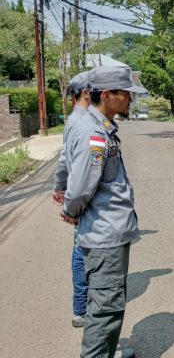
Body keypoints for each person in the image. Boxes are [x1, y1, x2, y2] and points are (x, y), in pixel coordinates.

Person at [62, 66, 139, 358]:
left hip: (108, 230)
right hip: (104, 232)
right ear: (106, 95)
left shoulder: (98, 126)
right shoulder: (93, 132)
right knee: (105, 310)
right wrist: (71, 210)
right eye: (125, 94)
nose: (130, 100)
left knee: (110, 305)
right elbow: (81, 186)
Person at [52, 71, 91, 329]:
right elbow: (66, 159)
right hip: (82, 197)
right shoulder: (81, 121)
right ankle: (82, 308)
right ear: (86, 93)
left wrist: (60, 187)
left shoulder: (76, 119)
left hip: (77, 193)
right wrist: (66, 195)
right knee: (80, 252)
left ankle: (82, 306)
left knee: (80, 250)